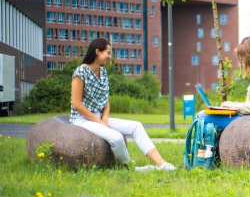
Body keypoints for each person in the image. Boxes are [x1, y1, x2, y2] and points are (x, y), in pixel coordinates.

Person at [70, 38, 176, 171]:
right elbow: (76, 104)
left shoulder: (102, 72)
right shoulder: (80, 72)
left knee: (136, 126)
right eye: (107, 53)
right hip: (82, 120)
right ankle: (130, 168)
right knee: (117, 138)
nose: (109, 56)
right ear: (97, 52)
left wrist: (104, 119)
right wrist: (99, 121)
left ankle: (162, 164)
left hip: (98, 118)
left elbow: (105, 99)